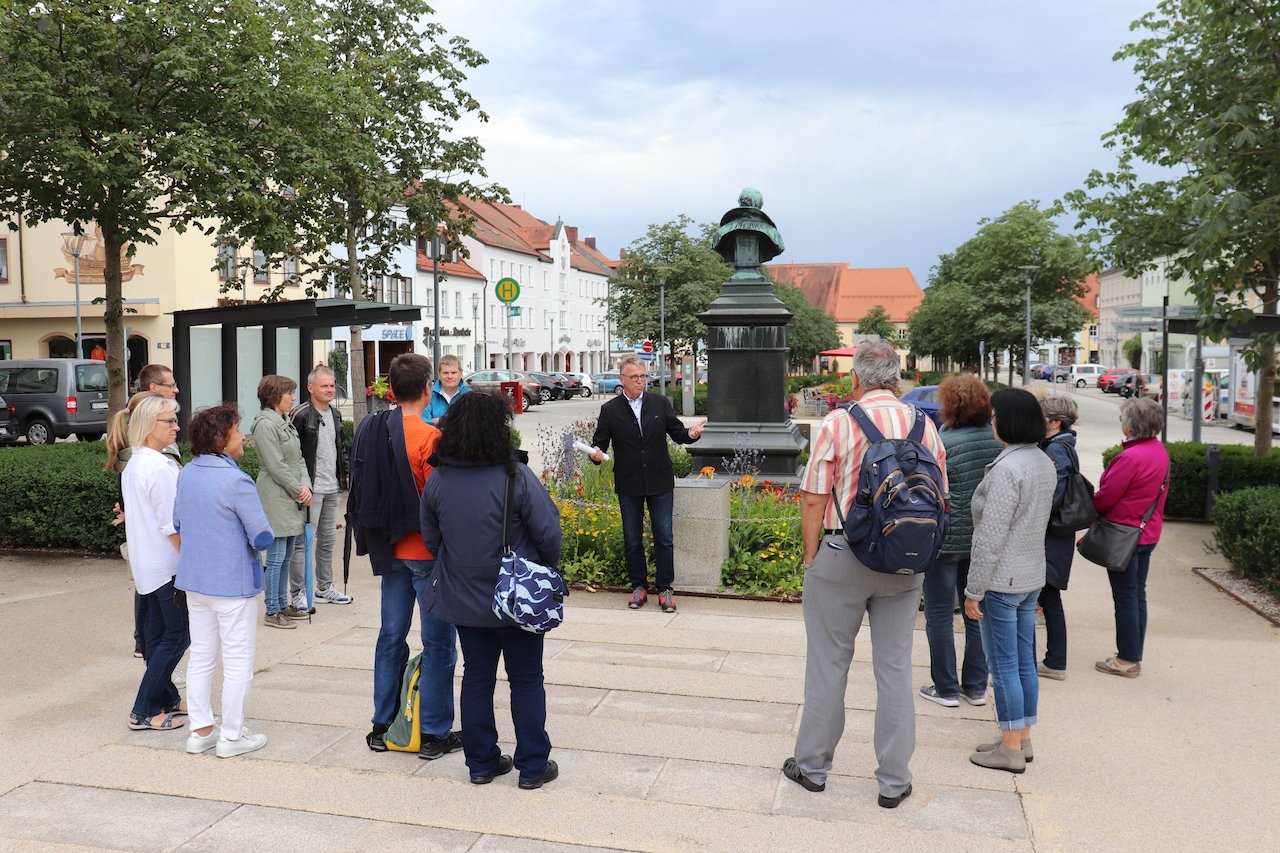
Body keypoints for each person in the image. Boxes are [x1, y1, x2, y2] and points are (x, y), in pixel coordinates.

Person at [783, 340, 947, 809]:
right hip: (904, 558)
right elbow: (942, 495)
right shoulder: (924, 425)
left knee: (828, 665)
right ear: (896, 378)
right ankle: (894, 781)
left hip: (843, 553)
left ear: (855, 378)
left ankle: (813, 768)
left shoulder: (839, 422)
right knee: (894, 669)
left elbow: (813, 496)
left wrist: (812, 557)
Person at [421, 392, 562, 789]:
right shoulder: (516, 475)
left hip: (465, 597)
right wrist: (543, 566)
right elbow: (549, 534)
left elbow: (432, 540)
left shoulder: (439, 479)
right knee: (527, 679)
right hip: (517, 597)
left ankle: (481, 763)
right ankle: (533, 766)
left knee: (476, 678)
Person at [348, 353, 460, 759]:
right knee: (438, 642)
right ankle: (432, 732)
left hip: (388, 548)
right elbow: (440, 501)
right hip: (425, 553)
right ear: (428, 389)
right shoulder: (431, 438)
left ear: (391, 391)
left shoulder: (373, 429)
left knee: (391, 635)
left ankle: (382, 724)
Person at [174, 405, 275, 758]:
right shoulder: (237, 481)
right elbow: (262, 535)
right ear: (221, 438)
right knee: (237, 661)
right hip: (233, 583)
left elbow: (177, 522)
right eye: (237, 431)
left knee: (201, 656)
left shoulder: (187, 473)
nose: (242, 437)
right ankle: (231, 736)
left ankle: (200, 730)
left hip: (195, 580)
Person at [964, 388, 1056, 774]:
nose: (991, 422)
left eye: (995, 416)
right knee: (1024, 663)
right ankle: (1021, 738)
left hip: (1002, 581)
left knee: (1003, 667)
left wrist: (973, 590)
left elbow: (990, 537)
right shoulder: (1042, 461)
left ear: (1008, 420)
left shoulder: (1008, 469)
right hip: (1031, 575)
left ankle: (1010, 748)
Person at [588, 356, 704, 613]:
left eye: (643, 376)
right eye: (635, 377)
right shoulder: (610, 410)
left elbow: (678, 433)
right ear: (622, 380)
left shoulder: (659, 403)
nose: (640, 381)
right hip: (628, 482)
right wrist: (595, 454)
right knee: (632, 539)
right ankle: (639, 586)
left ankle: (665, 589)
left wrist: (691, 434)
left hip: (659, 480)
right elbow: (599, 444)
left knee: (664, 537)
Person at [919, 374, 1000, 709]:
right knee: (976, 612)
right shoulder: (997, 441)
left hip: (946, 540)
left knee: (939, 614)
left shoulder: (942, 441)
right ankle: (976, 687)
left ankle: (946, 688)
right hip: (983, 541)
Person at [122, 395, 188, 732]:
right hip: (166, 566)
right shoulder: (158, 468)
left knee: (158, 636)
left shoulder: (137, 462)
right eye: (169, 421)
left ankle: (168, 698)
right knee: (176, 636)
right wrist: (191, 561)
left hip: (149, 564)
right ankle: (144, 710)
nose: (176, 426)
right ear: (149, 425)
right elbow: (170, 526)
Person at [1093, 397, 1170, 679]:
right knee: (1137, 595)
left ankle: (1126, 658)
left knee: (1125, 597)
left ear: (1130, 426)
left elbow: (1106, 498)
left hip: (1124, 535)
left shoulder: (1130, 457)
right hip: (1147, 532)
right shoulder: (1159, 451)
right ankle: (1132, 653)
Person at [288, 365, 352, 609]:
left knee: (327, 540)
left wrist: (346, 477)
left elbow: (340, 448)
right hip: (310, 490)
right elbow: (291, 454)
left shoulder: (335, 414)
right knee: (303, 542)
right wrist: (300, 486)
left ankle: (324, 588)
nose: (329, 389)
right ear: (310, 387)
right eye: (324, 385)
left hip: (332, 487)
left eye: (332, 385)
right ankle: (299, 593)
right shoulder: (300, 414)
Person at [252, 375, 312, 629]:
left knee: (286, 555)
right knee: (276, 556)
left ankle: (282, 603)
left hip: (291, 494)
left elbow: (298, 459)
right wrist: (299, 490)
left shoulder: (284, 421)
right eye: (290, 393)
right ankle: (272, 610)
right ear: (275, 395)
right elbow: (275, 465)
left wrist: (306, 486)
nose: (294, 397)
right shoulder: (265, 424)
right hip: (276, 495)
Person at [1037, 393, 1081, 680]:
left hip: (1052, 535)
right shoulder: (1060, 445)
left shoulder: (1056, 450)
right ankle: (1055, 660)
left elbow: (1052, 495)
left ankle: (1056, 661)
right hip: (1056, 534)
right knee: (1048, 596)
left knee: (1049, 596)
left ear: (1054, 422)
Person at [424, 354, 472, 426]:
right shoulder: (428, 394)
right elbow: (425, 423)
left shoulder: (469, 395)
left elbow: (471, 423)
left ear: (461, 373)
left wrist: (438, 420)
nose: (450, 377)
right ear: (439, 374)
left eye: (453, 373)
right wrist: (454, 419)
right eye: (445, 373)